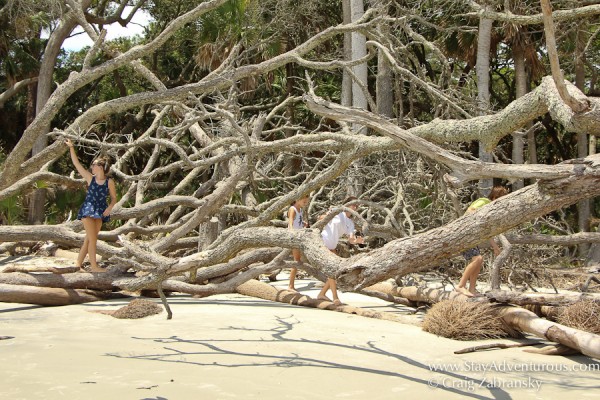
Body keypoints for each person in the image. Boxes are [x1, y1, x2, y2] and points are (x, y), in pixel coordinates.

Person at [66, 139, 117, 272]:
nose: (91, 167)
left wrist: (110, 207)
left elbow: (113, 198)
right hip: (88, 209)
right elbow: (76, 164)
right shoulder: (90, 178)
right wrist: (72, 148)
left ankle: (78, 264)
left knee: (89, 239)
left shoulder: (109, 182)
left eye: (94, 165)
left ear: (100, 167)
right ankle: (94, 267)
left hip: (100, 210)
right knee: (93, 239)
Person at [455, 186, 509, 297]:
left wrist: (494, 246)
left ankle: (472, 289)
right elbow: (470, 211)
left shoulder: (491, 210)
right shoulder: (484, 201)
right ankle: (460, 286)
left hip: (473, 237)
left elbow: (487, 231)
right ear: (494, 197)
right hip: (465, 234)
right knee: (477, 259)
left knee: (479, 261)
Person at [317, 196, 364, 305]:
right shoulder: (337, 212)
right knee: (332, 272)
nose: (355, 207)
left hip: (332, 246)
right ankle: (335, 298)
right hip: (322, 242)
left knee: (334, 272)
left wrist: (358, 241)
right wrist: (325, 215)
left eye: (357, 205)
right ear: (347, 204)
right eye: (353, 204)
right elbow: (321, 218)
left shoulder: (350, 223)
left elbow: (351, 240)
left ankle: (322, 294)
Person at [287, 195, 309, 291]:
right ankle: (290, 285)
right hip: (294, 238)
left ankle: (291, 284)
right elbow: (290, 222)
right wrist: (292, 233)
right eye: (304, 202)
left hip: (299, 237)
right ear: (297, 199)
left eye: (306, 202)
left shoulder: (300, 210)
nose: (305, 203)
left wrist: (302, 223)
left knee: (297, 260)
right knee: (296, 261)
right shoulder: (293, 209)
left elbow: (297, 221)